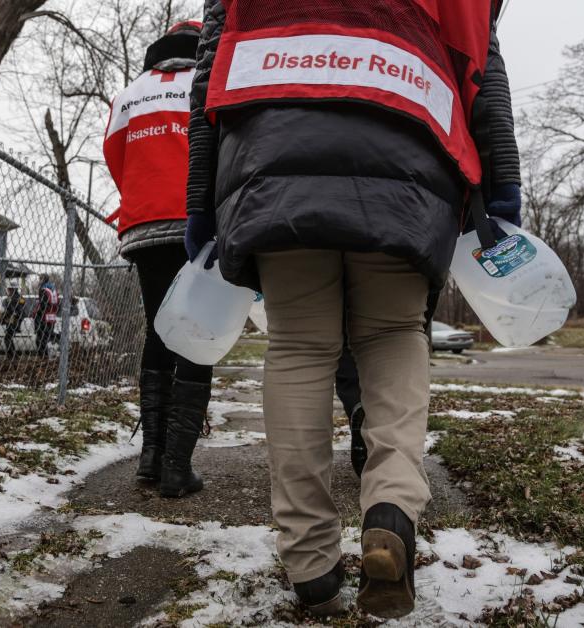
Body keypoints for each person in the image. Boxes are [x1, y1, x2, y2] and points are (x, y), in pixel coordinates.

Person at [185, 0, 521, 618]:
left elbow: (212, 61)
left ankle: (309, 558)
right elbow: (480, 59)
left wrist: (200, 196)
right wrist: (503, 185)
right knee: (394, 332)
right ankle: (390, 509)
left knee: (299, 345)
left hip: (271, 137)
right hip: (407, 132)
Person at [103, 21, 214, 498]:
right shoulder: (206, 86)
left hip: (144, 225)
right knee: (199, 331)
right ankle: (177, 466)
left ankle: (150, 455)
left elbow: (115, 157)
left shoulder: (129, 95)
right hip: (196, 223)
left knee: (159, 330)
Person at [31, 274, 58, 358]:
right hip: (51, 317)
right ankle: (47, 356)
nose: (39, 280)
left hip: (43, 318)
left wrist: (37, 313)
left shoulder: (43, 289)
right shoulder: (53, 289)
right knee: (47, 337)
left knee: (40, 339)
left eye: (40, 279)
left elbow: (43, 304)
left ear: (43, 279)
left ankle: (43, 357)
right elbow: (56, 304)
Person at [0, 280, 26, 360]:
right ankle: (12, 356)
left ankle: (11, 356)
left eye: (9, 289)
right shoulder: (19, 298)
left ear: (12, 289)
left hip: (14, 321)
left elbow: (15, 310)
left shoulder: (14, 299)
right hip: (14, 321)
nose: (7, 290)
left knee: (7, 338)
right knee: (8, 338)